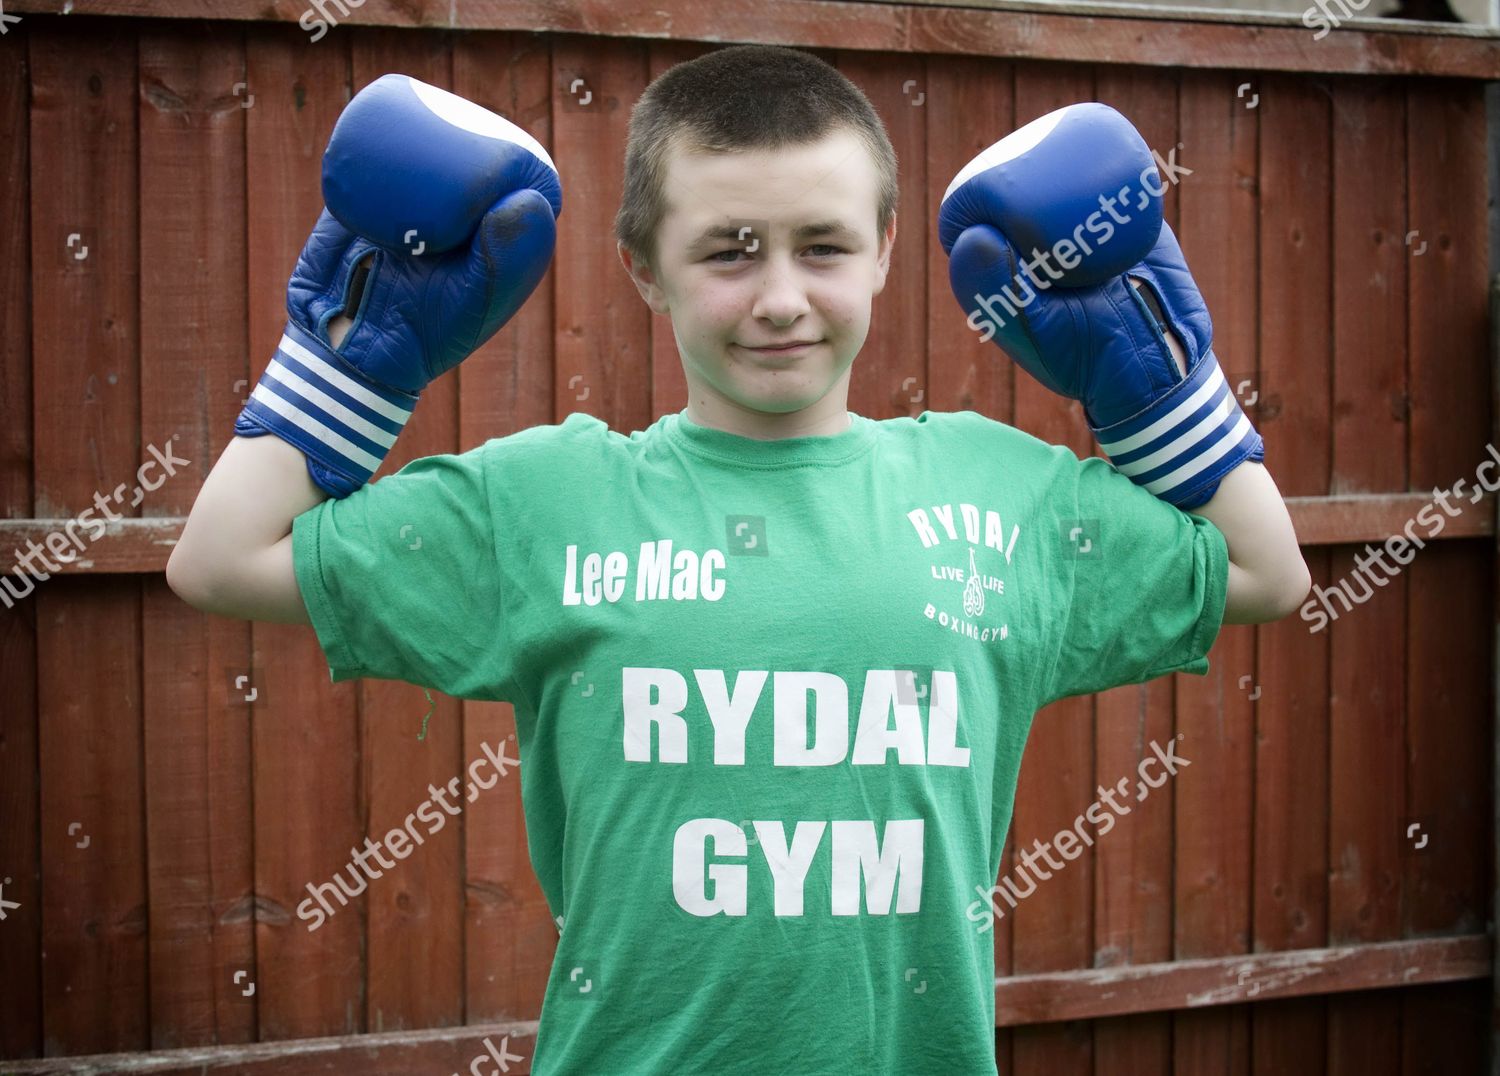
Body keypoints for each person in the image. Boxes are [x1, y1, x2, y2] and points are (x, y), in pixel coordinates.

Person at [167, 44, 1309, 1076]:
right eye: (727, 251)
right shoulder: (552, 501)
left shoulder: (998, 492)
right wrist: (359, 367)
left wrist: (1160, 392)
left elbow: (1267, 574)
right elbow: (219, 560)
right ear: (644, 268)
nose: (779, 298)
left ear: (886, 253)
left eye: (823, 246)